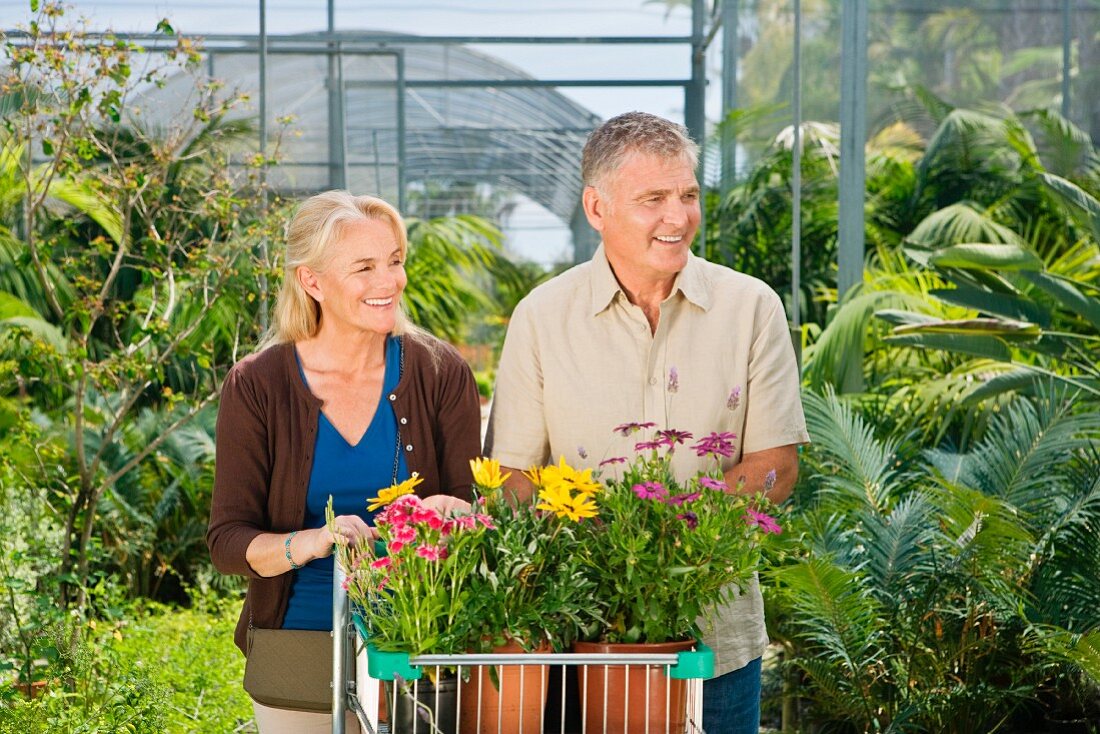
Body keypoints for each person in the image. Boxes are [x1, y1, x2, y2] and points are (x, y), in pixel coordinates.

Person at [484, 111, 809, 732]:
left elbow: (778, 462)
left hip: (718, 635)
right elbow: (510, 475)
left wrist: (675, 550)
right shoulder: (541, 317)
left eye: (688, 195)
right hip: (582, 637)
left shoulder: (751, 308)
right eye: (653, 198)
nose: (678, 216)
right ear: (596, 207)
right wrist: (604, 554)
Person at [207, 191, 480, 733]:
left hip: (422, 645)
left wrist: (461, 515)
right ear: (312, 282)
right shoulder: (258, 384)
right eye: (364, 267)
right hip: (299, 648)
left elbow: (476, 512)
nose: (390, 281)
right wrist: (309, 542)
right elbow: (228, 540)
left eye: (395, 261)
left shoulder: (440, 372)